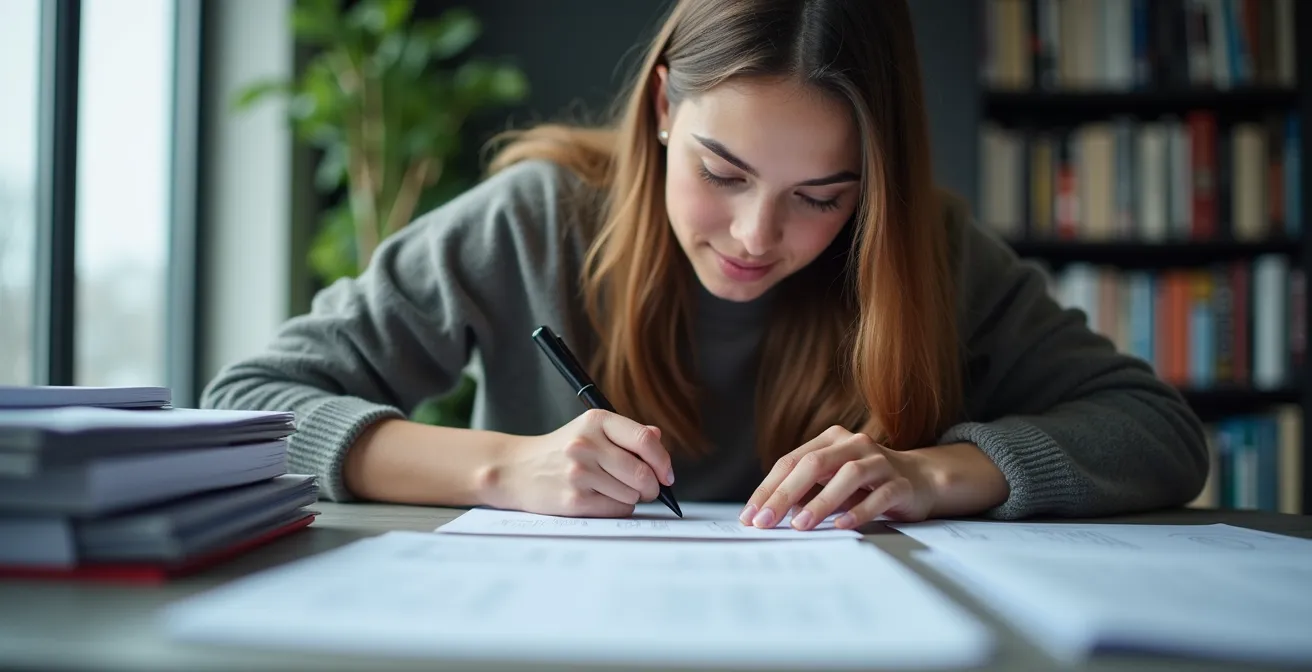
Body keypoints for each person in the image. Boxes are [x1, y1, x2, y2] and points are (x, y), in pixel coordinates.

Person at [201, 0, 1208, 531]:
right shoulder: (535, 220)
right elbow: (243, 407)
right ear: (662, 112)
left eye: (825, 194)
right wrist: (504, 467)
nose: (756, 236)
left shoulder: (924, 253)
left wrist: (938, 474)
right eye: (721, 171)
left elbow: (1157, 433)